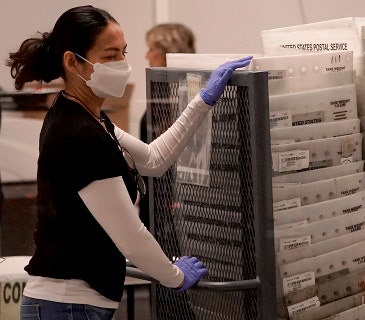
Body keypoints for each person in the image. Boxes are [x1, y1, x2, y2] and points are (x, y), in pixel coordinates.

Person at [5, 5, 252, 319]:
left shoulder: (89, 117)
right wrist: (174, 276)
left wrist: (202, 101)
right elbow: (132, 237)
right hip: (67, 304)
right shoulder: (78, 133)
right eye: (110, 56)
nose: (123, 64)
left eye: (124, 52)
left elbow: (152, 159)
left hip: (74, 304)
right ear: (72, 62)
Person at [140, 23, 196, 230]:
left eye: (152, 49)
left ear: (167, 53)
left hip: (171, 198)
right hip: (156, 191)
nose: (147, 55)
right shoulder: (161, 91)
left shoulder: (183, 95)